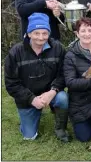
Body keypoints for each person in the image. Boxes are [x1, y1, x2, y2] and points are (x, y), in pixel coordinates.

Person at [4, 13, 70, 142]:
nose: (41, 37)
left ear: (49, 33)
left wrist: (52, 91)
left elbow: (63, 74)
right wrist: (32, 99)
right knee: (29, 137)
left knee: (63, 98)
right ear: (29, 34)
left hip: (50, 92)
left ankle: (60, 128)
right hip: (27, 97)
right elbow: (11, 83)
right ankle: (32, 115)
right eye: (36, 33)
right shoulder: (15, 52)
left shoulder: (58, 48)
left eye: (45, 33)